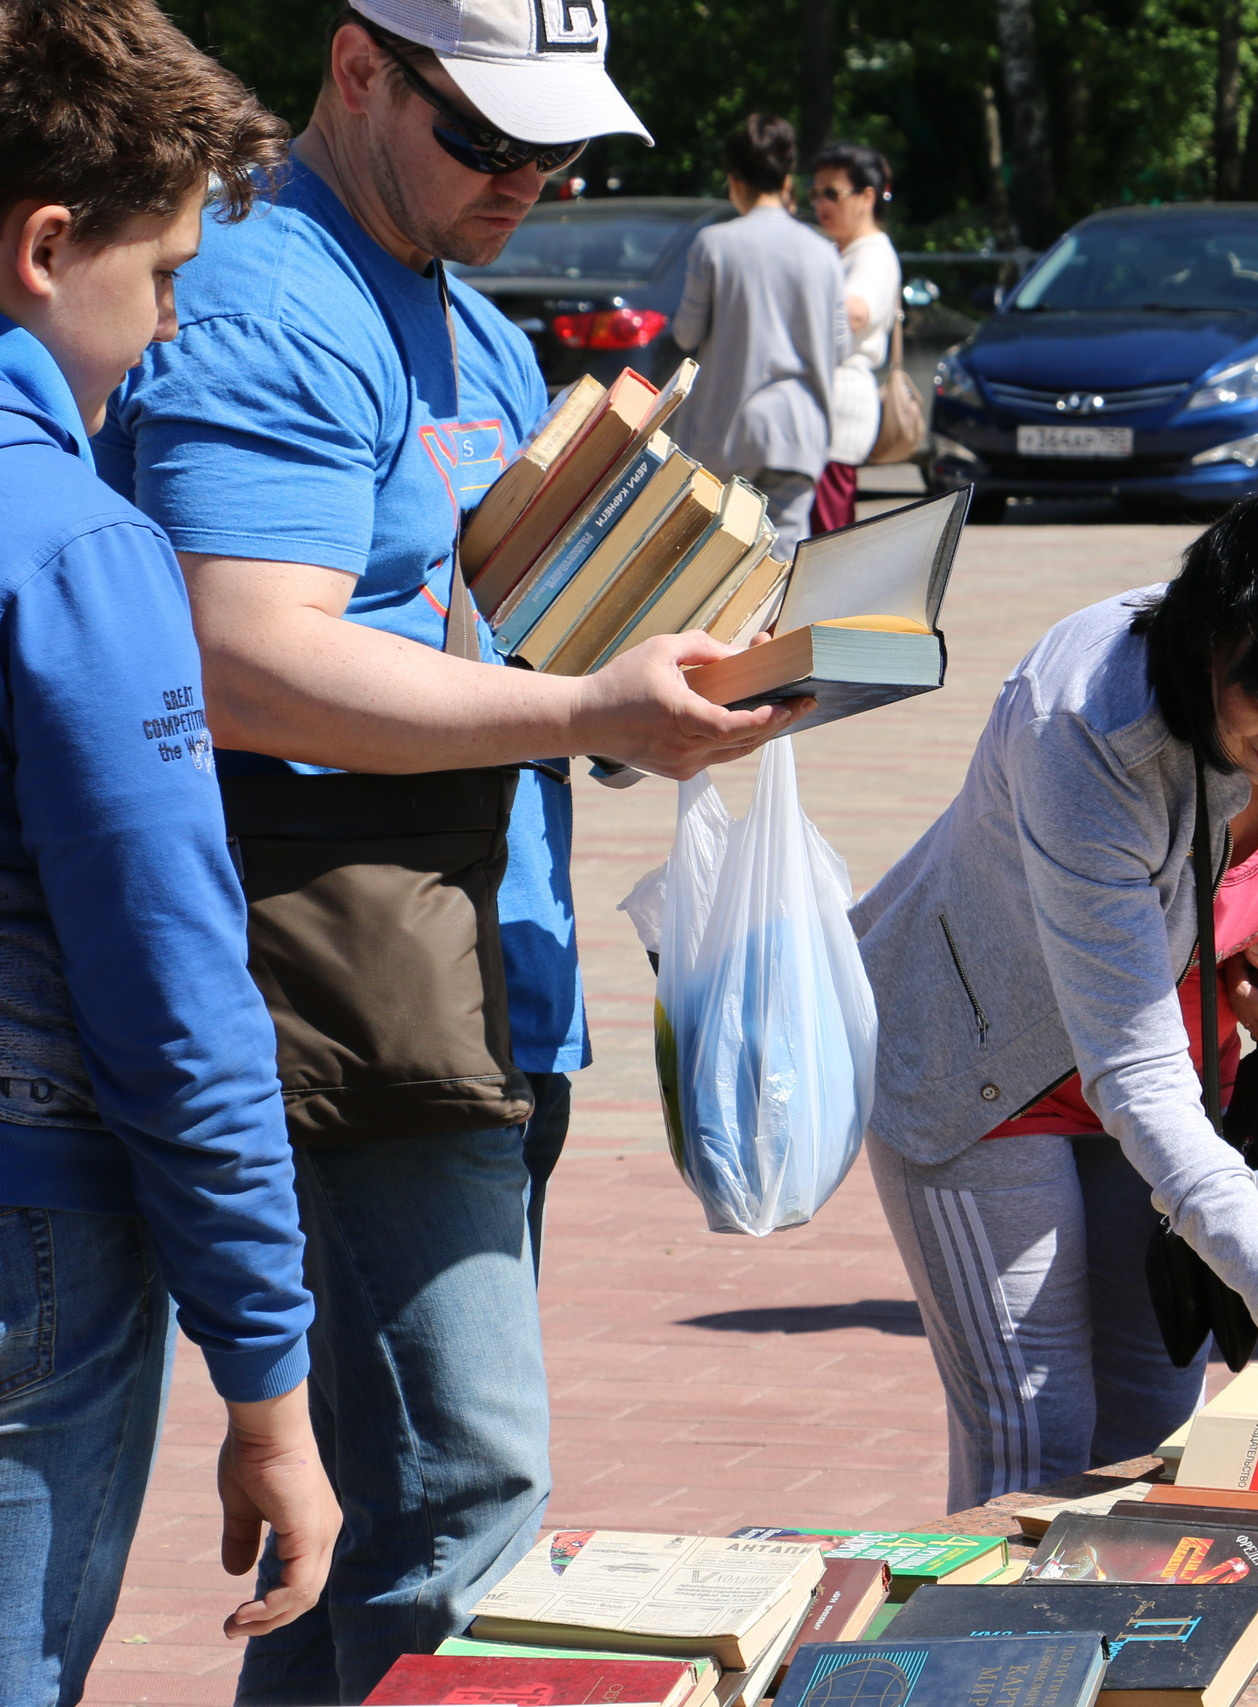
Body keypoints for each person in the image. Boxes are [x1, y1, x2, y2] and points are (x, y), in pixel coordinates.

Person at [97, 4, 799, 1699]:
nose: (531, 179)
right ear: (359, 72)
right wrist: (582, 712)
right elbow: (237, 656)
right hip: (352, 992)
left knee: (369, 1535)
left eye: (558, 145)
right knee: (463, 1511)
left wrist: (669, 695)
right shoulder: (265, 299)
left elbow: (503, 649)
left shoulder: (471, 330)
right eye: (488, 136)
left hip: (476, 987)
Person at [853, 483, 1258, 1510]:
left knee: (1152, 1427)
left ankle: (1123, 1666)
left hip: (1175, 1084)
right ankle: (999, 1668)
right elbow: (1129, 1067)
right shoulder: (1088, 722)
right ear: (1212, 641)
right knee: (1035, 1442)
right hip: (983, 1074)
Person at [0, 2, 339, 1697]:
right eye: (165, 273)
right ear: (46, 248)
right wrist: (268, 1388)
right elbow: (172, 989)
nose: (175, 324)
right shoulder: (71, 545)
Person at [673, 114, 845, 555]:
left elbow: (686, 334)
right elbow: (839, 343)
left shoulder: (714, 244)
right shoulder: (822, 250)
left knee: (717, 560)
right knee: (785, 562)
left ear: (734, 180)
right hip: (798, 430)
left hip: (725, 431)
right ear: (787, 178)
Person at [809, 141, 900, 536]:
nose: (821, 204)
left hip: (840, 410)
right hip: (825, 411)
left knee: (827, 537)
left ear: (866, 197)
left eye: (832, 193)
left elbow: (857, 310)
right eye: (815, 194)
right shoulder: (843, 251)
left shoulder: (872, 253)